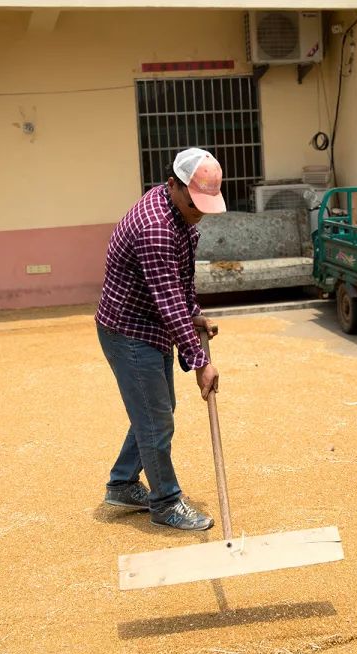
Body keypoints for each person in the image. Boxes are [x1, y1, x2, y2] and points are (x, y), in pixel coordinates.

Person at [95, 148, 226, 531]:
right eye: (194, 203)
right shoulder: (155, 227)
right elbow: (169, 301)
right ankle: (166, 502)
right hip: (128, 330)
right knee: (156, 420)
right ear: (174, 185)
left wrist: (194, 313)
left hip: (147, 324)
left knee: (158, 408)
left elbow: (181, 281)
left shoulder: (179, 213)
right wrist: (200, 362)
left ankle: (122, 483)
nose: (198, 211)